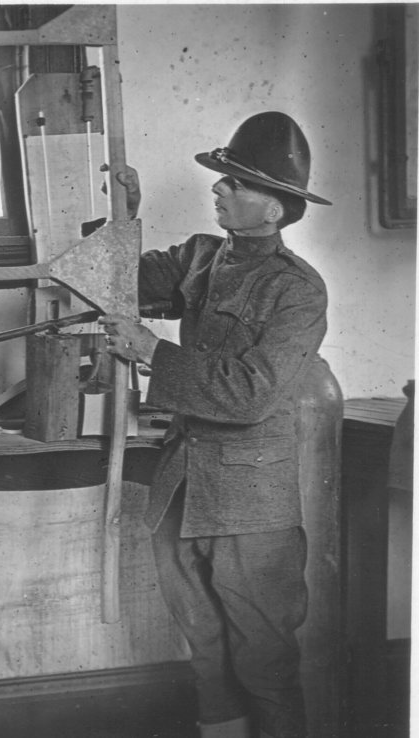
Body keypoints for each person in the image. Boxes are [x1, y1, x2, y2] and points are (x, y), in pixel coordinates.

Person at [99, 112, 332, 738]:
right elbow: (110, 280)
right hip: (182, 490)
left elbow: (252, 394)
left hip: (251, 509)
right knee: (205, 654)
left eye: (235, 182)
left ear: (276, 210)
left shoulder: (299, 292)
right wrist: (125, 215)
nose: (219, 189)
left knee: (264, 664)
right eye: (223, 178)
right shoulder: (200, 257)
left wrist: (152, 352)